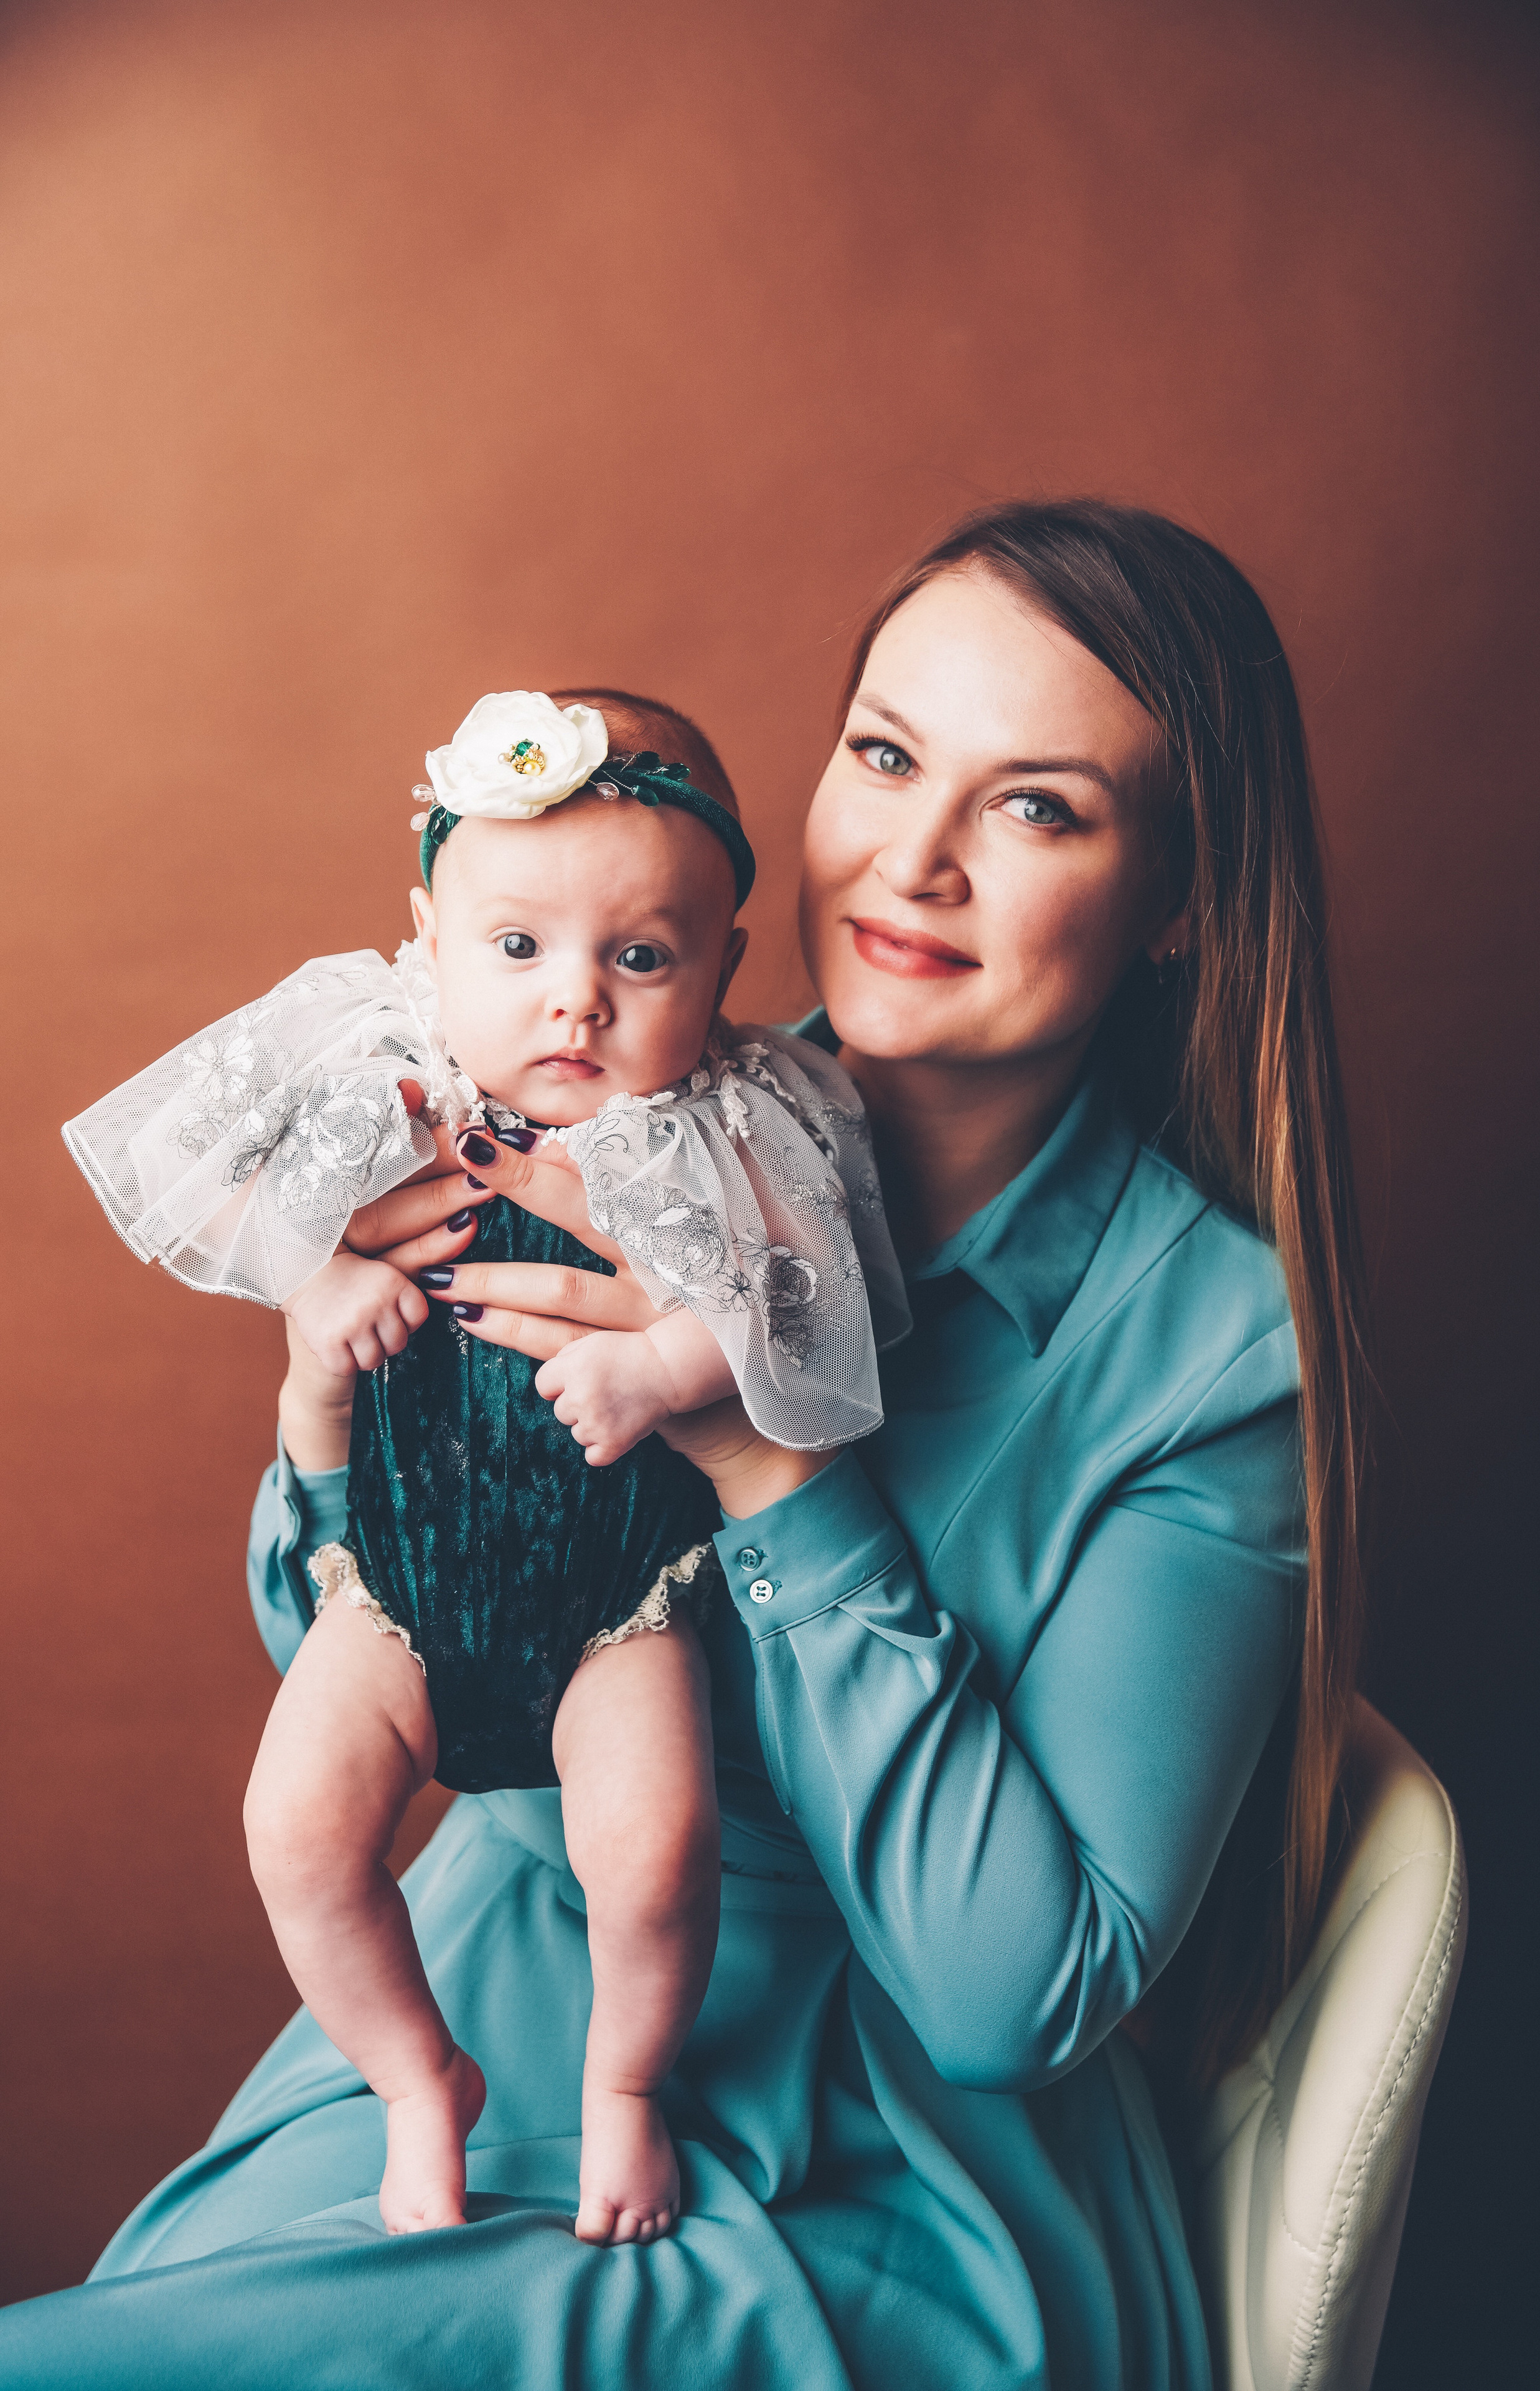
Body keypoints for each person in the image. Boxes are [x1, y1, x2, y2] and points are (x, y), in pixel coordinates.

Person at [3, 499, 1369, 2391]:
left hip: (884, 2153)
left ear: (1181, 905)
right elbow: (365, 1674)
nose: (916, 859)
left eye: (1038, 808)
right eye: (886, 757)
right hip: (489, 1978)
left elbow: (1006, 1995)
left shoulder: (1215, 1358)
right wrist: (333, 1415)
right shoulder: (587, 1104)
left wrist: (773, 1465)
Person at [61, 685, 907, 2248]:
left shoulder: (727, 1120)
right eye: (515, 949)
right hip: (390, 1595)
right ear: (426, 939)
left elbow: (810, 1317)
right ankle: (412, 2078)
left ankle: (625, 2089)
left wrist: (665, 1362)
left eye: (637, 957)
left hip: (618, 1610)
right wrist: (314, 1278)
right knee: (299, 1835)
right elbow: (201, 1177)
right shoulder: (390, 1085)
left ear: (722, 966)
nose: (571, 1003)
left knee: (653, 1858)